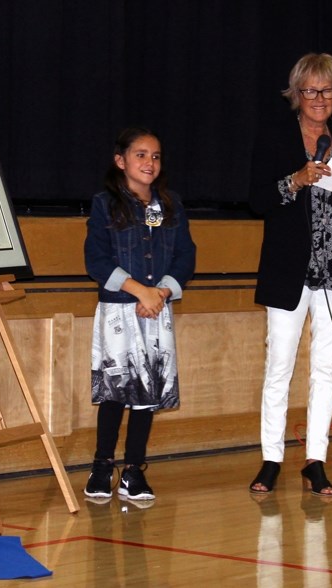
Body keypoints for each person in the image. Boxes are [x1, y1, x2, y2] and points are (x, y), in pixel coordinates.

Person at [249, 53, 332, 497]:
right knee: (279, 367)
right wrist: (297, 179)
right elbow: (256, 200)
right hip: (289, 272)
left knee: (325, 370)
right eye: (310, 90)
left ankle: (316, 461)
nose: (319, 99)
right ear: (297, 95)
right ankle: (271, 459)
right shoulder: (275, 138)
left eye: (327, 90)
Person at [83, 126, 196, 502]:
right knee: (116, 389)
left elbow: (185, 257)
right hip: (120, 308)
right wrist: (138, 290)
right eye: (141, 155)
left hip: (155, 310)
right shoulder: (104, 203)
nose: (150, 162)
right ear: (121, 160)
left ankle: (134, 470)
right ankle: (102, 466)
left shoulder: (171, 205)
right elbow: (96, 259)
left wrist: (160, 292)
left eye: (156, 156)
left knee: (147, 390)